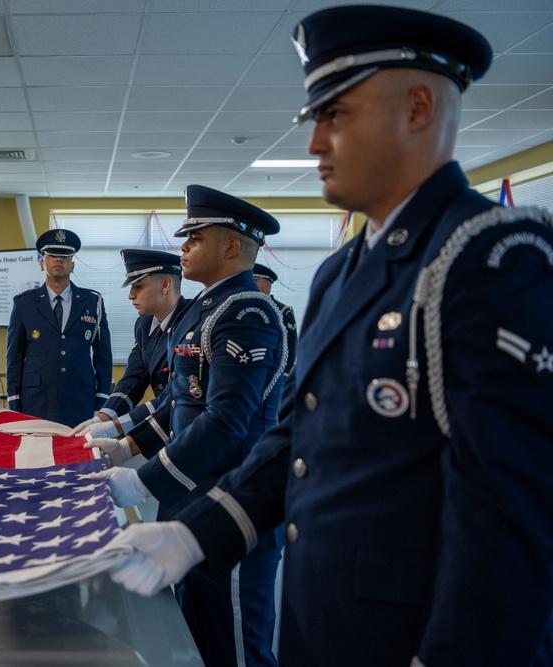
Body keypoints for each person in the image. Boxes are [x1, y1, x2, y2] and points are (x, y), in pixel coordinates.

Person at [104, 6, 553, 667]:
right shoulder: (343, 270)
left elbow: (511, 522)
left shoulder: (491, 256)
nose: (314, 142)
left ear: (419, 108)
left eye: (334, 115)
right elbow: (295, 440)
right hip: (324, 617)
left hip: (419, 637)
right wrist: (192, 534)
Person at [95, 186, 288, 667]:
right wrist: (124, 446)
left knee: (235, 642)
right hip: (192, 492)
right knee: (196, 627)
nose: (183, 246)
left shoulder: (246, 313)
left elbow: (225, 421)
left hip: (234, 496)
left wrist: (143, 479)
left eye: (195, 237)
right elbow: (181, 402)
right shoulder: (204, 309)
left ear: (230, 247)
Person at [71, 248, 187, 441]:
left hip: (189, 428)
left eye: (138, 286)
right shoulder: (144, 324)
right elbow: (134, 378)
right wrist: (103, 417)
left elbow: (173, 393)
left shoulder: (191, 325)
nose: (131, 295)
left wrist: (116, 427)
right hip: (165, 429)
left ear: (165, 285)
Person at [6, 228, 113, 425]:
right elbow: (14, 359)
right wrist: (14, 403)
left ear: (72, 265)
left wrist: (102, 402)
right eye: (52, 255)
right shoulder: (24, 304)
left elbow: (103, 357)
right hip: (35, 401)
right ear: (42, 263)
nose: (58, 260)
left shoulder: (92, 302)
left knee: (80, 453)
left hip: (81, 399)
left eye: (65, 256)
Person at [253, 264, 297, 378]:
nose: (250, 284)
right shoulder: (242, 309)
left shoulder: (281, 311)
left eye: (255, 280)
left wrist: (282, 378)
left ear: (267, 285)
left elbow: (290, 349)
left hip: (272, 377)